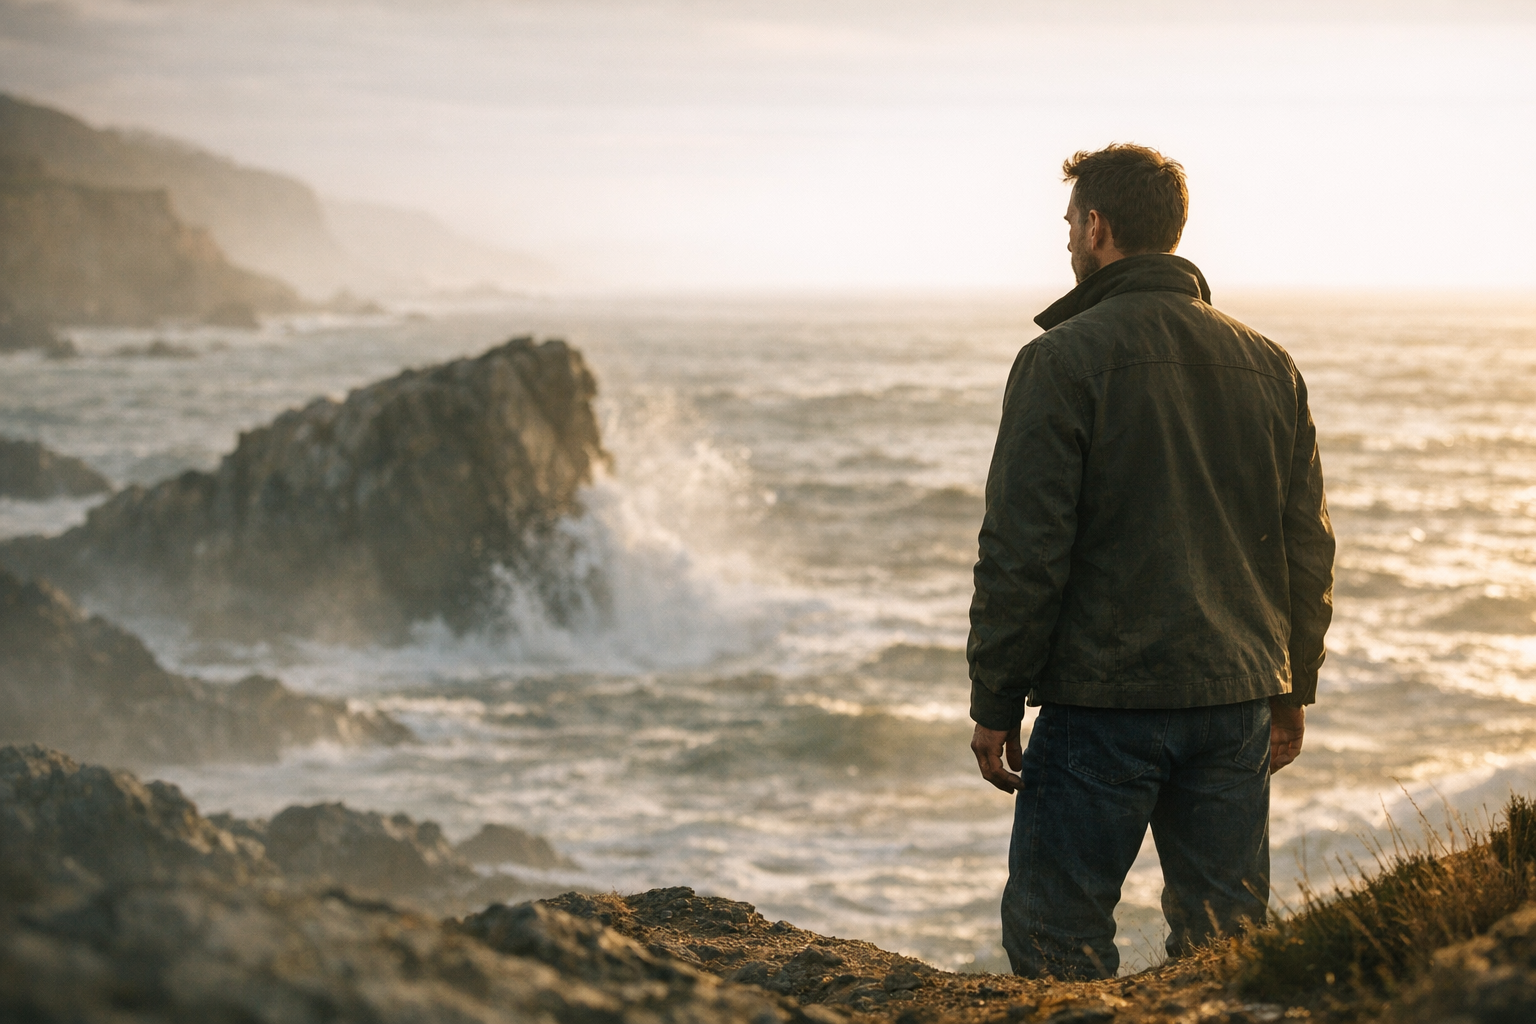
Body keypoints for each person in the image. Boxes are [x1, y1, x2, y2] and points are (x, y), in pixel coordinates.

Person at [966, 143, 1335, 980]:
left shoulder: (1060, 361)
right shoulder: (1270, 363)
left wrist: (995, 697)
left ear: (1097, 227)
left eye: (1069, 222)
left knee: (1055, 932)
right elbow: (1307, 546)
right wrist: (1291, 686)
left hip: (1105, 701)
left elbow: (1024, 549)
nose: (1065, 239)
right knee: (1226, 949)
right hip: (1236, 696)